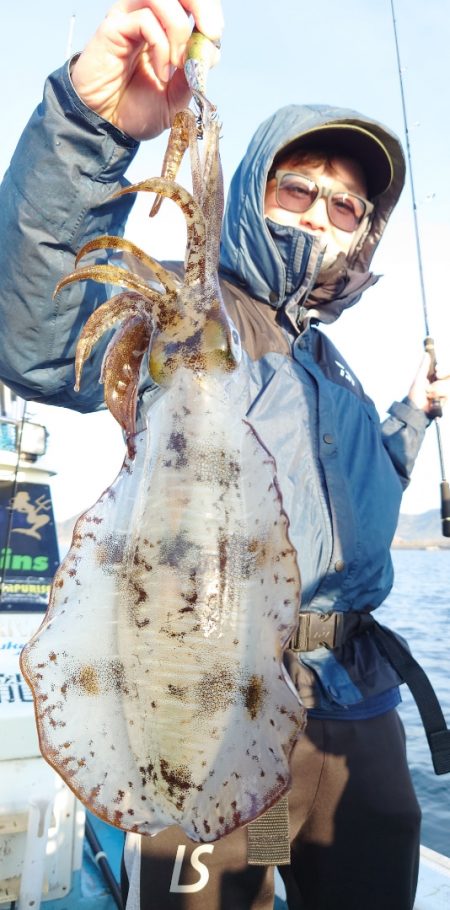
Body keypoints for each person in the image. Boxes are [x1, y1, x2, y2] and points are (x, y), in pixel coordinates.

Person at [0, 2, 449, 909]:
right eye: (299, 187)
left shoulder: (335, 370)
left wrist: (412, 414)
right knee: (227, 887)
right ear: (255, 190)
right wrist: (90, 129)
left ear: (362, 230)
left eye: (346, 202)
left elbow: (367, 500)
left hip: (354, 717)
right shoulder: (186, 329)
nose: (320, 211)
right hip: (212, 696)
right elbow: (38, 331)